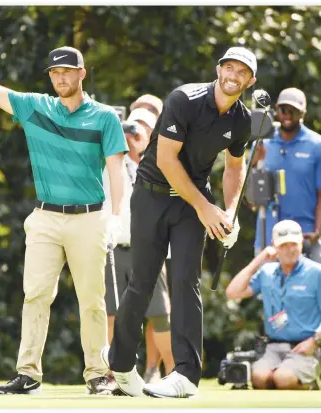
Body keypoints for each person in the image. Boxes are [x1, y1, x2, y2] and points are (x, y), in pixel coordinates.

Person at [0, 36, 128, 395]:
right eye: (55, 73)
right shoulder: (35, 107)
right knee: (35, 296)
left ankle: (97, 374)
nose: (60, 78)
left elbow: (116, 170)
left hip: (89, 217)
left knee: (93, 301)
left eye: (67, 72)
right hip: (45, 217)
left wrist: (117, 217)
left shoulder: (105, 117)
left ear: (82, 74)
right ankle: (28, 374)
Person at [100, 46, 257, 398]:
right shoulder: (183, 99)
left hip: (190, 203)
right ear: (219, 70)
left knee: (186, 282)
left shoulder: (241, 120)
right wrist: (206, 208)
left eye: (242, 71)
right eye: (229, 67)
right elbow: (169, 162)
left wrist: (230, 213)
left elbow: (235, 168)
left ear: (250, 80)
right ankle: (121, 363)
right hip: (152, 194)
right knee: (141, 282)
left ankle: (185, 375)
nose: (234, 75)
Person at [103, 110, 174, 385]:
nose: (134, 134)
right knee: (111, 313)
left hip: (148, 249)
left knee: (159, 313)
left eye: (141, 128)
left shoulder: (160, 160)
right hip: (114, 246)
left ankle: (174, 372)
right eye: (132, 127)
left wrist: (144, 147)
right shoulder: (111, 159)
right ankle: (111, 373)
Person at [226, 220, 321, 390]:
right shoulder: (266, 272)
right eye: (283, 245)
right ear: (274, 247)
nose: (290, 249)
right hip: (273, 347)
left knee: (283, 379)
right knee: (259, 378)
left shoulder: (316, 272)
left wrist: (314, 341)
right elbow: (233, 292)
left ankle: (309, 383)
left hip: (305, 348)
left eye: (294, 244)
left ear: (301, 244)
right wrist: (259, 260)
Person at [252, 88, 321, 257]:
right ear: (276, 111)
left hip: (304, 236)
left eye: (293, 110)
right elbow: (249, 198)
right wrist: (253, 164)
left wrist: (318, 231)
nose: (287, 115)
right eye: (283, 110)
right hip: (268, 237)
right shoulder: (262, 143)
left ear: (303, 113)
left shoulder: (316, 145)